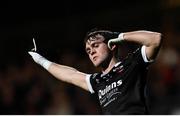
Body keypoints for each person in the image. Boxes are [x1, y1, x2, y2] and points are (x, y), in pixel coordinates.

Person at [28, 28, 162, 114]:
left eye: (95, 45)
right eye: (88, 50)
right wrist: (40, 60)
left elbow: (155, 39)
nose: (91, 51)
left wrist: (118, 36)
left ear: (112, 44)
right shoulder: (97, 81)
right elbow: (69, 75)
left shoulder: (131, 63)